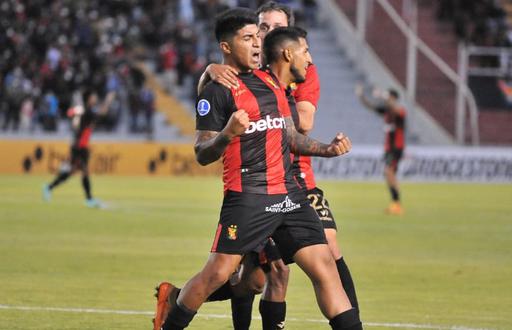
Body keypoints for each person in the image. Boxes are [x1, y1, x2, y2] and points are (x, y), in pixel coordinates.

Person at [154, 4, 360, 330]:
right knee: (221, 274)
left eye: (256, 38)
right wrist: (227, 133)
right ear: (226, 47)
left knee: (323, 266)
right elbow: (202, 152)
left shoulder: (272, 82)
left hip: (290, 195)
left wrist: (327, 149)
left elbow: (290, 134)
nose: (255, 44)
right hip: (248, 197)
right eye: (247, 38)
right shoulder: (217, 92)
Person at [42, 90, 111, 208]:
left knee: (72, 172)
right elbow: (102, 113)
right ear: (89, 99)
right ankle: (89, 199)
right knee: (83, 171)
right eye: (93, 97)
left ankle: (49, 187)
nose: (95, 99)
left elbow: (74, 116)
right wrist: (108, 100)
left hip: (80, 146)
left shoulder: (84, 111)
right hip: (79, 146)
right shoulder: (87, 112)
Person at [356, 84, 406, 215]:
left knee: (389, 172)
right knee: (389, 174)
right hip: (389, 148)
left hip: (396, 148)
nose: (387, 98)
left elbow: (396, 108)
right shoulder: (388, 111)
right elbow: (370, 106)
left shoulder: (399, 112)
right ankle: (396, 203)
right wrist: (361, 96)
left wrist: (385, 98)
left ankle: (397, 204)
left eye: (389, 96)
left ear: (394, 98)